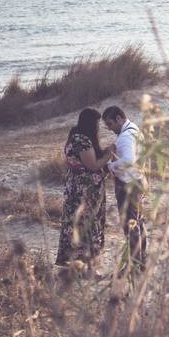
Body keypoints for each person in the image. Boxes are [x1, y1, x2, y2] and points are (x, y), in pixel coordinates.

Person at [55, 108, 115, 271]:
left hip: (74, 188)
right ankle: (88, 270)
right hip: (85, 191)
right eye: (96, 124)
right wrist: (109, 154)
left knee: (75, 225)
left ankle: (76, 268)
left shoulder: (73, 137)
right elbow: (93, 165)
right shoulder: (82, 140)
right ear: (90, 123)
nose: (97, 128)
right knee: (87, 226)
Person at [102, 105, 148, 273]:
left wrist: (109, 166)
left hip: (129, 185)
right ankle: (141, 261)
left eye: (110, 124)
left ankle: (135, 265)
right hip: (138, 180)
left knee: (130, 225)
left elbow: (128, 160)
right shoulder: (134, 129)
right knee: (138, 223)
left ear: (120, 118)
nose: (109, 128)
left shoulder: (126, 137)